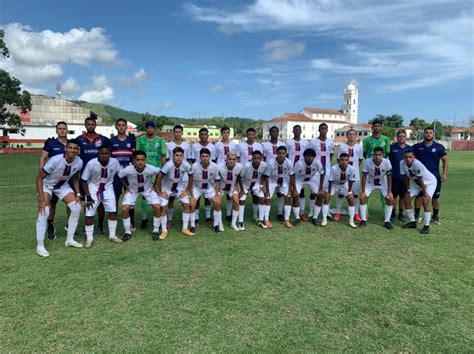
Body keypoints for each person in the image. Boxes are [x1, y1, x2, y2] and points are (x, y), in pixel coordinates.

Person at [35, 139, 84, 257]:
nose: (72, 150)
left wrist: (78, 194)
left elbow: (75, 178)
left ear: (78, 150)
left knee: (76, 208)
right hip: (48, 185)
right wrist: (41, 199)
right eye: (70, 148)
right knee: (44, 211)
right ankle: (40, 246)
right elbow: (39, 178)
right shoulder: (55, 160)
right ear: (65, 148)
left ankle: (69, 240)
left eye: (75, 148)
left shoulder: (79, 162)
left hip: (62, 186)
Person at [81, 145, 123, 248]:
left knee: (113, 211)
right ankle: (89, 238)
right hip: (93, 189)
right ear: (98, 154)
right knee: (89, 213)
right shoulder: (91, 163)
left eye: (106, 154)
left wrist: (127, 187)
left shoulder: (115, 162)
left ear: (110, 154)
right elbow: (83, 180)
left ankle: (112, 235)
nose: (104, 156)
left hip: (108, 188)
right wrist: (88, 196)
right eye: (102, 153)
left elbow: (121, 174)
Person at [118, 150, 162, 241]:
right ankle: (127, 232)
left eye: (142, 160)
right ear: (134, 160)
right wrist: (126, 187)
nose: (140, 162)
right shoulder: (128, 169)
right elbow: (120, 176)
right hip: (133, 190)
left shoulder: (151, 168)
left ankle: (156, 230)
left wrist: (154, 185)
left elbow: (160, 173)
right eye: (138, 160)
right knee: (124, 208)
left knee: (157, 207)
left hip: (148, 189)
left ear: (145, 160)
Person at [76, 116, 110, 234]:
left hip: (99, 175)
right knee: (87, 200)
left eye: (92, 124)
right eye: (88, 124)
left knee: (100, 201)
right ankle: (88, 227)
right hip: (85, 176)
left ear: (95, 125)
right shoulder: (79, 139)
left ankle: (100, 224)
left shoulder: (102, 139)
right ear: (85, 125)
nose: (90, 126)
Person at [155, 147, 194, 239]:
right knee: (163, 207)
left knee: (187, 204)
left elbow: (191, 177)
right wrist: (160, 192)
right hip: (166, 188)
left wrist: (187, 190)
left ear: (183, 156)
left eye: (181, 155)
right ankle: (164, 230)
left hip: (179, 187)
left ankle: (185, 229)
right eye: (176, 155)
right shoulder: (168, 165)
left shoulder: (186, 165)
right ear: (173, 156)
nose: (179, 157)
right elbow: (159, 178)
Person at [38, 121, 68, 240]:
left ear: (67, 130)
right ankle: (50, 226)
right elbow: (42, 158)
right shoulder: (51, 143)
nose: (62, 130)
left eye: (64, 128)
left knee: (71, 204)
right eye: (59, 128)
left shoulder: (71, 144)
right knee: (51, 204)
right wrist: (42, 173)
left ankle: (70, 226)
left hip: (66, 179)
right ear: (56, 131)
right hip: (53, 179)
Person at [412, 126, 448, 224]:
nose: (428, 134)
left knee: (435, 197)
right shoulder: (417, 147)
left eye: (430, 132)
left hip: (434, 177)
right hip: (421, 177)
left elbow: (445, 160)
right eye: (426, 132)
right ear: (424, 134)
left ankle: (435, 216)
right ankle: (416, 215)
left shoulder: (439, 147)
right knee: (419, 196)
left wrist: (444, 174)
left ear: (434, 134)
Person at [136, 121, 166, 230]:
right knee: (145, 195)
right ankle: (144, 218)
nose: (150, 129)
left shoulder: (160, 141)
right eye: (148, 127)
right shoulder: (140, 140)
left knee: (157, 194)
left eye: (151, 127)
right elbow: (137, 157)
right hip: (144, 171)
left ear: (154, 129)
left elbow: (163, 157)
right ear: (145, 129)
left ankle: (158, 217)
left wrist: (164, 171)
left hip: (157, 172)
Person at [400, 149, 438, 235]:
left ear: (414, 157)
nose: (408, 159)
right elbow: (405, 177)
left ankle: (426, 226)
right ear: (403, 157)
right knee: (406, 198)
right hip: (416, 183)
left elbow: (421, 179)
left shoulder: (417, 164)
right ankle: (413, 222)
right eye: (406, 157)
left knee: (426, 201)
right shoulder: (401, 163)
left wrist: (425, 194)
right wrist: (407, 189)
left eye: (410, 157)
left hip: (428, 182)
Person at [359, 147, 395, 229]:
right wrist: (363, 191)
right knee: (362, 198)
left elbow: (389, 176)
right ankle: (363, 220)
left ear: (383, 155)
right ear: (373, 155)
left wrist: (389, 191)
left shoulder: (387, 162)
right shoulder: (367, 161)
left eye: (379, 155)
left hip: (382, 181)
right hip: (370, 182)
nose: (377, 156)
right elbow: (364, 176)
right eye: (375, 154)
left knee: (390, 199)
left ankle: (387, 221)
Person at [164, 124, 192, 229]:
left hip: (183, 176)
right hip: (171, 176)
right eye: (176, 132)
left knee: (184, 198)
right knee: (170, 199)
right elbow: (167, 160)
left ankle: (184, 218)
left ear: (182, 133)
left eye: (180, 132)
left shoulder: (187, 145)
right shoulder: (169, 145)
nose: (178, 134)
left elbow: (189, 160)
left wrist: (189, 174)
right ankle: (169, 220)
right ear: (173, 133)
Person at [190, 148, 223, 233]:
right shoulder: (194, 166)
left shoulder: (215, 166)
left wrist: (217, 193)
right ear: (200, 157)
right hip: (196, 187)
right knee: (192, 203)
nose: (205, 158)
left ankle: (216, 224)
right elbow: (190, 180)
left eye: (207, 156)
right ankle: (193, 225)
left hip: (209, 188)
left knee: (218, 202)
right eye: (203, 156)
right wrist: (191, 194)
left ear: (210, 157)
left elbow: (217, 180)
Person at [110, 118, 136, 224]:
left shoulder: (131, 140)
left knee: (130, 195)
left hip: (128, 172)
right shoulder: (111, 141)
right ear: (116, 126)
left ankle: (131, 221)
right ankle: (114, 221)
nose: (121, 127)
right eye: (119, 125)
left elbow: (134, 158)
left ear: (126, 127)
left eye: (123, 125)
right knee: (115, 196)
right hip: (115, 174)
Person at [190, 128, 217, 225]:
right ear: (199, 135)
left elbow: (214, 160)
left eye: (205, 134)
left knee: (207, 198)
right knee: (196, 198)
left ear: (208, 135)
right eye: (202, 134)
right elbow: (192, 159)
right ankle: (196, 219)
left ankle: (208, 217)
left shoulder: (212, 147)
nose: (204, 136)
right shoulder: (194, 146)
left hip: (208, 172)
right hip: (198, 172)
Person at [291, 148, 325, 226]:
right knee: (296, 195)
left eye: (312, 156)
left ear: (314, 157)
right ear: (304, 156)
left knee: (320, 195)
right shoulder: (299, 163)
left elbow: (322, 174)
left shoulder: (317, 162)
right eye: (307, 156)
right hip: (300, 180)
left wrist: (320, 189)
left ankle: (315, 218)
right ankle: (297, 218)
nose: (310, 158)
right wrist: (295, 189)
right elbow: (292, 175)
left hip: (311, 179)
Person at [265, 145, 295, 228]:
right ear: (276, 153)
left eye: (283, 153)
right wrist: (267, 190)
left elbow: (292, 175)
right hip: (272, 180)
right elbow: (266, 176)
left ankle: (286, 220)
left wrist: (289, 190)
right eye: (280, 153)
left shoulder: (289, 162)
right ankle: (266, 219)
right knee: (267, 198)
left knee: (288, 197)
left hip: (283, 180)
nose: (281, 155)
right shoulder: (270, 163)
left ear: (286, 154)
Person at [337, 129, 364, 222]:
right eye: (349, 134)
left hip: (355, 174)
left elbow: (360, 160)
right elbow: (338, 160)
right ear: (347, 135)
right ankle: (337, 212)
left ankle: (356, 213)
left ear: (356, 136)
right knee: (341, 194)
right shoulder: (342, 147)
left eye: (353, 134)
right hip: (344, 174)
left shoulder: (359, 147)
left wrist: (354, 169)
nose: (351, 136)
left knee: (355, 195)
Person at [309, 123, 334, 220]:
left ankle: (327, 212)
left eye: (325, 129)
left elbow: (331, 156)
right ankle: (312, 211)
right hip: (315, 171)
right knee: (313, 191)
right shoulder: (313, 142)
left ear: (327, 130)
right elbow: (310, 155)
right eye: (321, 129)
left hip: (327, 169)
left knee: (327, 191)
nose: (323, 130)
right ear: (318, 130)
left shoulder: (330, 142)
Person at [326, 154, 357, 228]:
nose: (344, 161)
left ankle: (351, 221)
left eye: (346, 160)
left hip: (344, 184)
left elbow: (350, 181)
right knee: (327, 197)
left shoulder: (352, 169)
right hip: (334, 184)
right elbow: (330, 181)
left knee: (351, 199)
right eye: (342, 160)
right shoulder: (334, 168)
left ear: (348, 161)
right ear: (339, 160)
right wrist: (329, 193)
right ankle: (325, 218)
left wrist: (349, 192)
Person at [262, 126, 287, 221]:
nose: (274, 133)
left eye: (276, 131)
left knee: (280, 193)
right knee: (267, 194)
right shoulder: (265, 145)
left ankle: (280, 213)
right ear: (269, 133)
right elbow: (263, 159)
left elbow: (285, 158)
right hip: (269, 173)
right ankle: (264, 215)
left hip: (280, 173)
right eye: (272, 131)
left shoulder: (282, 144)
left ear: (278, 133)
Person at [240, 150, 268, 230]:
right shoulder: (246, 165)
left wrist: (261, 185)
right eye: (255, 158)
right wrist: (242, 189)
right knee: (242, 200)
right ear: (252, 158)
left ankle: (261, 220)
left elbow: (263, 175)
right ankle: (240, 221)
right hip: (245, 184)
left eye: (259, 158)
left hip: (255, 184)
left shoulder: (264, 165)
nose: (257, 160)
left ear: (261, 158)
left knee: (262, 198)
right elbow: (240, 177)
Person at [388, 129, 411, 222]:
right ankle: (393, 213)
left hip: (405, 177)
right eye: (399, 136)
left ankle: (401, 213)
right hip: (394, 176)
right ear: (397, 138)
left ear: (406, 137)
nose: (401, 138)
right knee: (394, 196)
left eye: (403, 136)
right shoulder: (392, 147)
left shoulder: (410, 148)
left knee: (403, 196)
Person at [218, 152, 244, 231]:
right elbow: (216, 179)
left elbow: (239, 177)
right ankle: (219, 223)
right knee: (218, 202)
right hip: (221, 187)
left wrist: (241, 189)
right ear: (226, 159)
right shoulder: (220, 167)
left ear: (236, 160)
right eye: (230, 159)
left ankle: (233, 223)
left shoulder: (239, 166)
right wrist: (217, 190)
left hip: (231, 187)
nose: (231, 161)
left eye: (233, 159)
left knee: (236, 202)